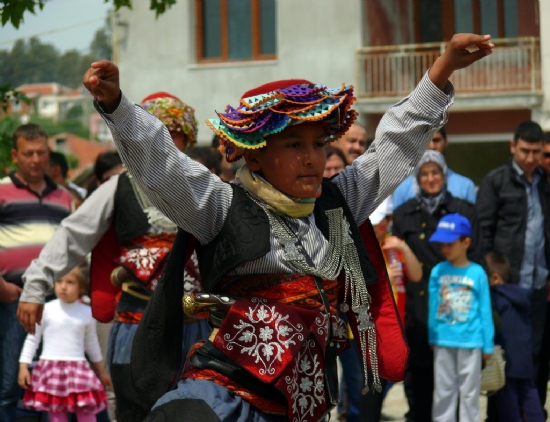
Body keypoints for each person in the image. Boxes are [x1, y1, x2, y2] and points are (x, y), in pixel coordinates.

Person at [83, 33, 493, 421]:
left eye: (319, 143)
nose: (312, 158)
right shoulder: (221, 205)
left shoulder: (338, 201)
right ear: (255, 157)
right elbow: (163, 165)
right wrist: (118, 106)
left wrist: (442, 69)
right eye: (294, 145)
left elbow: (394, 145)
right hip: (227, 394)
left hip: (304, 403)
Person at [17, 92, 209, 422]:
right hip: (136, 325)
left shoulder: (207, 188)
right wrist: (36, 286)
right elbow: (73, 235)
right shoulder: (118, 187)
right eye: (155, 133)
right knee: (136, 412)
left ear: (186, 139)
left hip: (194, 327)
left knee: (195, 412)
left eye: (172, 134)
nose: (164, 143)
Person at [392, 150, 482, 422]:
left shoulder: (462, 209)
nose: (431, 179)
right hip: (418, 308)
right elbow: (396, 261)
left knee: (456, 383)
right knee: (419, 376)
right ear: (417, 178)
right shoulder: (403, 212)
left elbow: (476, 257)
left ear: (444, 175)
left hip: (455, 304)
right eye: (425, 174)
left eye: (436, 173)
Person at [0, 123, 72, 422]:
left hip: (54, 302)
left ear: (48, 153)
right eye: (28, 153)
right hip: (11, 299)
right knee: (7, 384)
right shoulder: (2, 190)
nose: (35, 159)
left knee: (50, 383)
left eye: (41, 153)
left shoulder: (64, 197)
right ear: (15, 155)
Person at [476, 120, 550, 407]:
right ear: (512, 147)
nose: (530, 158)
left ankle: (533, 413)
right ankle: (501, 415)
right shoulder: (496, 181)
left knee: (538, 356)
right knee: (506, 356)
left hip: (539, 288)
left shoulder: (545, 182)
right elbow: (483, 232)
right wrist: (490, 274)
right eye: (524, 151)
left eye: (536, 152)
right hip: (507, 287)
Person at [18, 264, 111, 422]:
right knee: (56, 414)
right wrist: (23, 366)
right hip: (51, 369)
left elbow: (92, 343)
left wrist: (101, 372)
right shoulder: (46, 309)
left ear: (81, 287)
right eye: (59, 281)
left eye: (70, 282)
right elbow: (33, 339)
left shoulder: (87, 312)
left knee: (86, 411)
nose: (63, 287)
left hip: (78, 369)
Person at [361, 198, 423, 422]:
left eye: (378, 222)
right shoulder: (363, 245)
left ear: (388, 221)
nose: (374, 227)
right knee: (371, 385)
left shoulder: (394, 245)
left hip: (398, 324)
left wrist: (404, 248)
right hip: (371, 326)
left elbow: (416, 275)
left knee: (394, 377)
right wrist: (385, 273)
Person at [427, 214, 493, 422]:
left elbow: (485, 309)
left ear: (466, 242)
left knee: (470, 392)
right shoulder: (438, 271)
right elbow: (432, 306)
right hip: (443, 339)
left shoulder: (478, 272)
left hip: (471, 341)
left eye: (450, 243)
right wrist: (432, 335)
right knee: (443, 390)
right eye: (442, 244)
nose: (445, 248)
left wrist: (488, 344)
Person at [486, 252, 545, 422]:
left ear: (495, 278)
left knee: (508, 402)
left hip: (507, 358)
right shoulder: (523, 295)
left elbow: (495, 323)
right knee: (529, 394)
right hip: (525, 356)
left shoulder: (496, 296)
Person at [392, 126, 476, 209]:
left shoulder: (465, 186)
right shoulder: (402, 189)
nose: (432, 146)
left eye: (436, 140)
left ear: (446, 141)